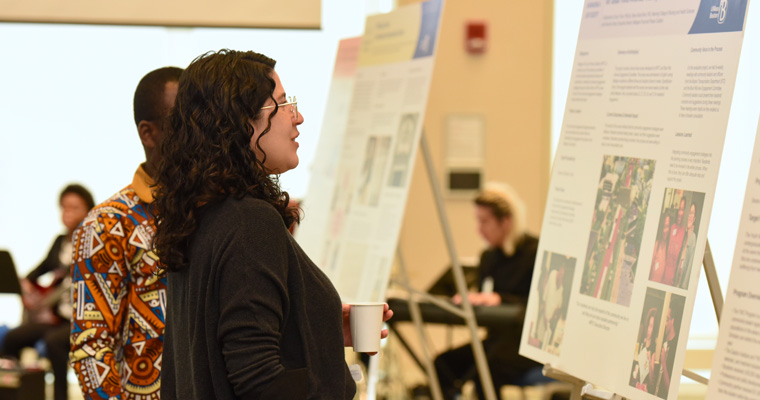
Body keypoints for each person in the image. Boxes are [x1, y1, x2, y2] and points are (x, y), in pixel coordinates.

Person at [153, 49, 392, 400]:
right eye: (282, 105)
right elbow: (258, 380)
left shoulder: (198, 214)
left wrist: (315, 324)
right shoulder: (249, 222)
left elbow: (222, 349)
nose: (298, 118)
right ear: (240, 121)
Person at [69, 66, 182, 399]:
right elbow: (91, 344)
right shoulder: (106, 224)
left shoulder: (217, 211)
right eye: (182, 122)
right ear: (149, 134)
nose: (198, 133)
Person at [434, 183, 542, 400]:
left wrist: (500, 299)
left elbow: (540, 305)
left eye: (485, 222)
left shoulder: (535, 252)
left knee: (486, 369)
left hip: (527, 346)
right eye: (478, 221)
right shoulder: (488, 257)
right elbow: (485, 296)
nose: (479, 229)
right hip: (496, 341)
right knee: (443, 363)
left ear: (506, 221)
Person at [2, 184, 93, 400]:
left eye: (74, 207)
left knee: (54, 342)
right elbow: (36, 272)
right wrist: (24, 286)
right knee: (12, 338)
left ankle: (59, 396)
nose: (67, 213)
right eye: (63, 207)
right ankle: (12, 391)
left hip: (84, 320)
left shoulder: (94, 241)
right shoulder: (59, 243)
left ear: (89, 209)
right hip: (57, 319)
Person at [663, 198, 686, 285]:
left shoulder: (684, 233)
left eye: (682, 209)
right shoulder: (671, 228)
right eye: (679, 209)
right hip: (662, 277)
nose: (680, 212)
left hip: (672, 282)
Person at [675, 203, 697, 289]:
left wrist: (684, 287)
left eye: (692, 213)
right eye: (689, 213)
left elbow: (689, 269)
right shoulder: (682, 235)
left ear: (694, 218)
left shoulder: (693, 238)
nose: (689, 216)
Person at [649, 214, 670, 283]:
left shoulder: (669, 247)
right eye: (664, 227)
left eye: (667, 227)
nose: (665, 230)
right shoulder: (656, 244)